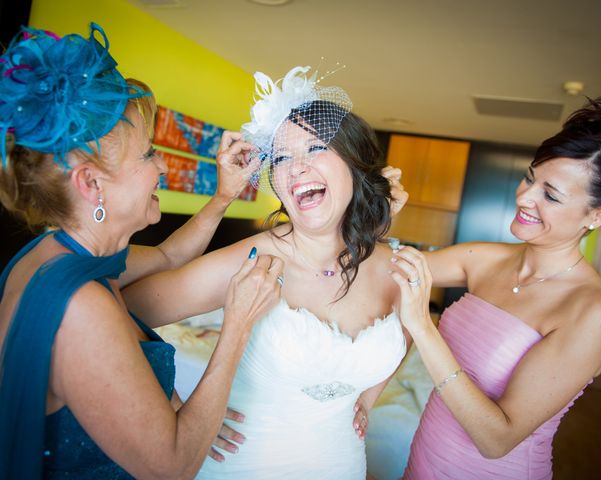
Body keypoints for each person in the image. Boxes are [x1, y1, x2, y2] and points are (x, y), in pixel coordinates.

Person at [0, 23, 284, 479]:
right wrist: (238, 324)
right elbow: (172, 466)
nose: (163, 168)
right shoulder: (81, 305)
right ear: (91, 184)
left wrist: (224, 196)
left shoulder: (61, 254)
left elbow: (172, 256)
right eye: (149, 154)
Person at [122, 65, 410, 479]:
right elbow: (117, 315)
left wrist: (367, 397)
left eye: (314, 149)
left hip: (343, 463)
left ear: (354, 164)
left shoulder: (394, 263)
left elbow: (410, 332)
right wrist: (173, 405)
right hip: (241, 463)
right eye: (279, 158)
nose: (295, 168)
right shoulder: (254, 259)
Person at [388, 95, 601, 479]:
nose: (524, 197)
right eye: (529, 178)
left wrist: (423, 327)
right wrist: (378, 214)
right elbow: (383, 266)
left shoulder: (592, 309)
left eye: (551, 195)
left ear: (599, 214)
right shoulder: (487, 258)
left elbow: (496, 439)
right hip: (422, 462)